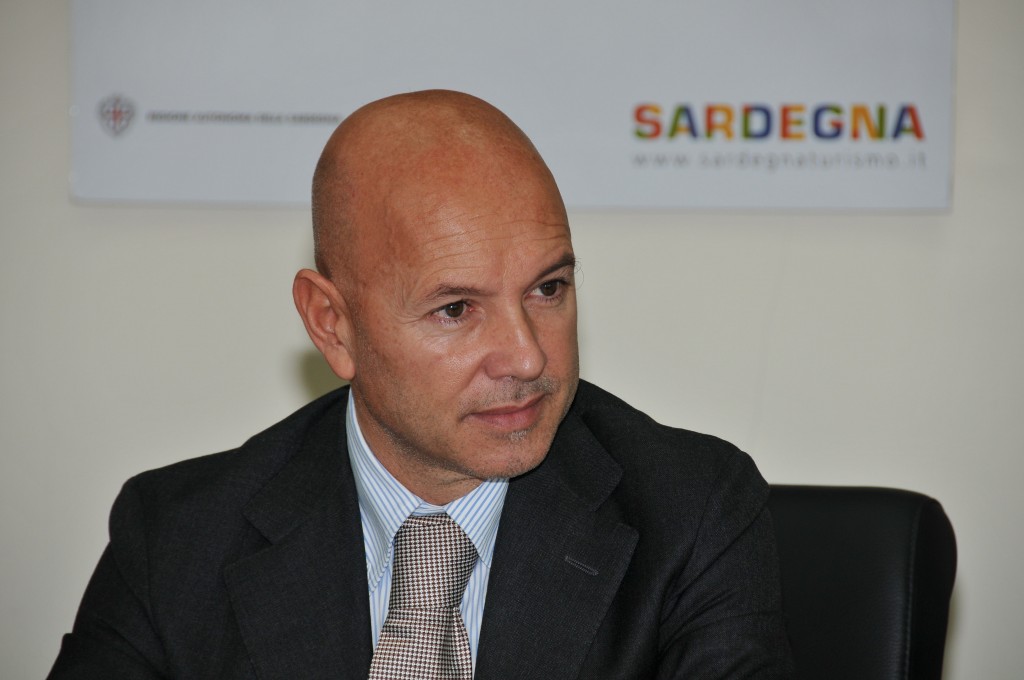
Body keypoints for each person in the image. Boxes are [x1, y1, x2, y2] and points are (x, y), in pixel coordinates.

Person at [49, 90, 792, 679]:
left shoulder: (693, 514)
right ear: (333, 325)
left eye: (548, 289)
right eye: (456, 309)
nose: (526, 357)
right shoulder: (175, 540)